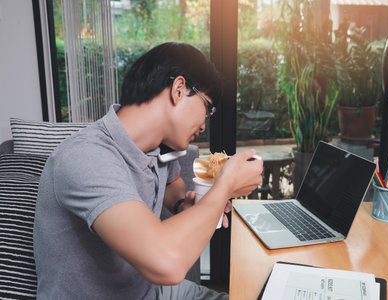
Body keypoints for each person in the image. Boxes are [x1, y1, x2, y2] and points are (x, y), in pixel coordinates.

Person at [33, 42, 263, 299]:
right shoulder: (86, 157)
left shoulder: (155, 145)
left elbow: (171, 180)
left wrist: (180, 205)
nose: (203, 125)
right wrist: (225, 186)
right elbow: (167, 265)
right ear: (178, 89)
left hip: (152, 292)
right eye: (207, 108)